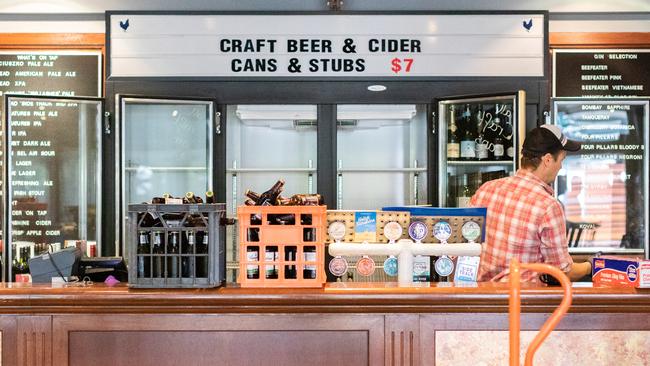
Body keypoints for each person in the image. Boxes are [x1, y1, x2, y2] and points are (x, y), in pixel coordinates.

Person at [470, 124, 592, 282]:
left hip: (480, 299)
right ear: (547, 159)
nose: (561, 167)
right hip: (522, 302)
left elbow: (465, 245)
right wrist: (591, 265)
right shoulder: (548, 206)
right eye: (561, 160)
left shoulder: (485, 190)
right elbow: (562, 271)